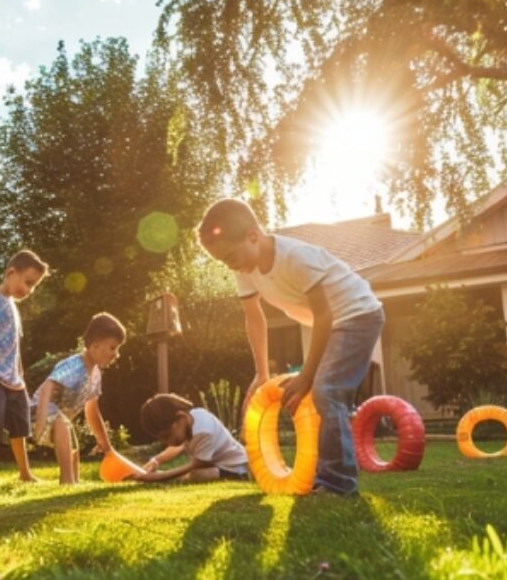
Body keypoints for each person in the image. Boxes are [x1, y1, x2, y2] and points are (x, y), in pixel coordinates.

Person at [198, 198, 384, 497]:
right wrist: (261, 374)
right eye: (223, 262)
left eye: (231, 255)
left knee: (327, 390)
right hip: (331, 322)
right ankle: (327, 471)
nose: (230, 265)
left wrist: (307, 375)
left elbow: (324, 315)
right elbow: (254, 318)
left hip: (358, 313)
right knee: (323, 395)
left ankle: (338, 483)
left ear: (253, 236)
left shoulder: (296, 257)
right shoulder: (244, 268)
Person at [0, 249, 49, 486]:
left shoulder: (13, 306)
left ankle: (25, 473)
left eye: (34, 286)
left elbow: (15, 345)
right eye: (28, 282)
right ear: (11, 272)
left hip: (12, 378)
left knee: (19, 427)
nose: (29, 290)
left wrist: (20, 375)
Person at [31, 312, 125, 484]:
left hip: (59, 417)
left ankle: (72, 479)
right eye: (113, 348)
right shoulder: (74, 366)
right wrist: (41, 419)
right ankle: (67, 480)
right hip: (37, 411)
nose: (116, 354)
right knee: (63, 424)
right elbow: (47, 386)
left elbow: (92, 410)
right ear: (95, 346)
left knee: (72, 441)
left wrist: (105, 444)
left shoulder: (96, 374)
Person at [136, 393, 249, 483]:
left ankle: (241, 477)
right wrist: (156, 460)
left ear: (181, 417)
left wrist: (160, 477)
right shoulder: (192, 417)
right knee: (196, 474)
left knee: (197, 475)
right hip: (217, 465)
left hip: (236, 468)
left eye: (167, 436)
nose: (167, 442)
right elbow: (179, 446)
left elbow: (195, 465)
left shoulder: (204, 431)